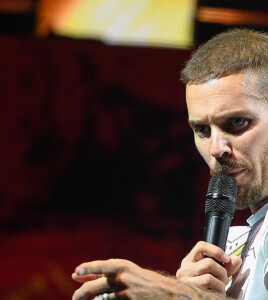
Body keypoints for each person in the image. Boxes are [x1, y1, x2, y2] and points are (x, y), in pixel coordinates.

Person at [71, 28, 268, 300]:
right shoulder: (239, 243)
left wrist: (174, 293)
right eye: (202, 129)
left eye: (236, 123)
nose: (215, 148)